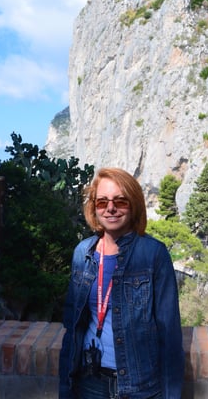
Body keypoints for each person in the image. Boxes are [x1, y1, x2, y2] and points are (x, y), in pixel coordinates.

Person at [59, 167, 184, 399]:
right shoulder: (82, 253)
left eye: (120, 201)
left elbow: (170, 335)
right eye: (102, 202)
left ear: (133, 204)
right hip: (89, 383)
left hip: (141, 388)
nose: (110, 208)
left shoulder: (153, 255)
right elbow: (73, 327)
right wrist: (65, 390)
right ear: (93, 207)